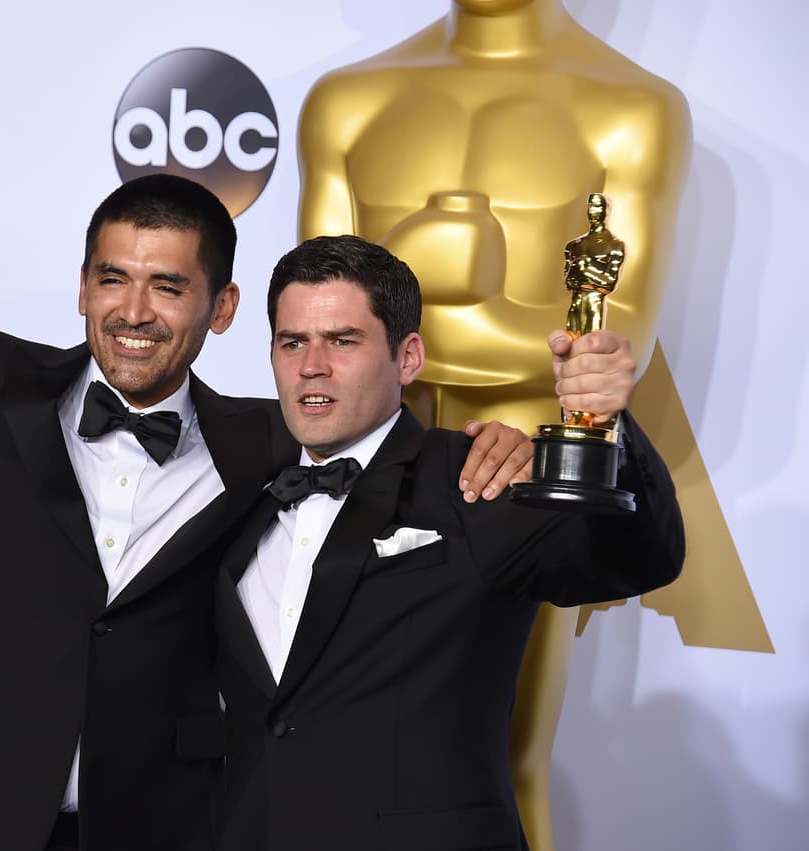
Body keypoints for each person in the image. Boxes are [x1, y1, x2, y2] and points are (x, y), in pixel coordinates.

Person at [0, 150, 532, 851]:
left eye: (169, 286)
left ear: (221, 308)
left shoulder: (273, 444)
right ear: (82, 288)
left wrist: (510, 441)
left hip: (152, 825)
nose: (133, 311)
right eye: (112, 279)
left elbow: (386, 447)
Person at [296, 5, 693, 841]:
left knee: (503, 759)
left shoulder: (632, 108)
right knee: (317, 744)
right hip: (360, 461)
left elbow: (608, 342)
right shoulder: (347, 100)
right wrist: (465, 288)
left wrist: (415, 281)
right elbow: (318, 319)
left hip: (519, 467)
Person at [213, 235, 684, 851]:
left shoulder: (478, 475)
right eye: (292, 341)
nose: (312, 366)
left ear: (408, 358)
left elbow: (639, 558)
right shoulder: (240, 486)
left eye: (343, 341)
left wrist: (605, 425)